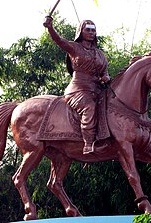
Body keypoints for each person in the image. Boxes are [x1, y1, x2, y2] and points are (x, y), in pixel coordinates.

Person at [43, 16, 110, 154]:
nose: (91, 33)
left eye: (93, 30)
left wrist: (106, 78)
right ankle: (88, 143)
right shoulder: (74, 48)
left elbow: (106, 73)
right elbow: (59, 41)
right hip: (78, 90)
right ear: (81, 31)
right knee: (89, 107)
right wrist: (50, 28)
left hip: (97, 89)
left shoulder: (100, 54)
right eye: (88, 30)